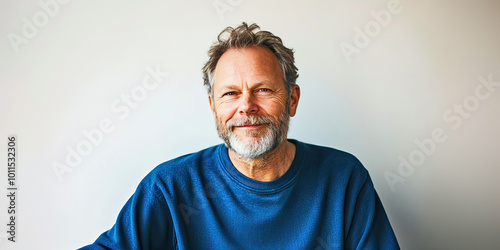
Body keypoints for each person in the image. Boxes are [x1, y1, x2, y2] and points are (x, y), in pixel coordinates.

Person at [80, 22, 399, 249]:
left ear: (292, 99)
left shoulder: (344, 180)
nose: (246, 106)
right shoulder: (170, 187)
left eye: (262, 90)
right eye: (230, 93)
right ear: (213, 106)